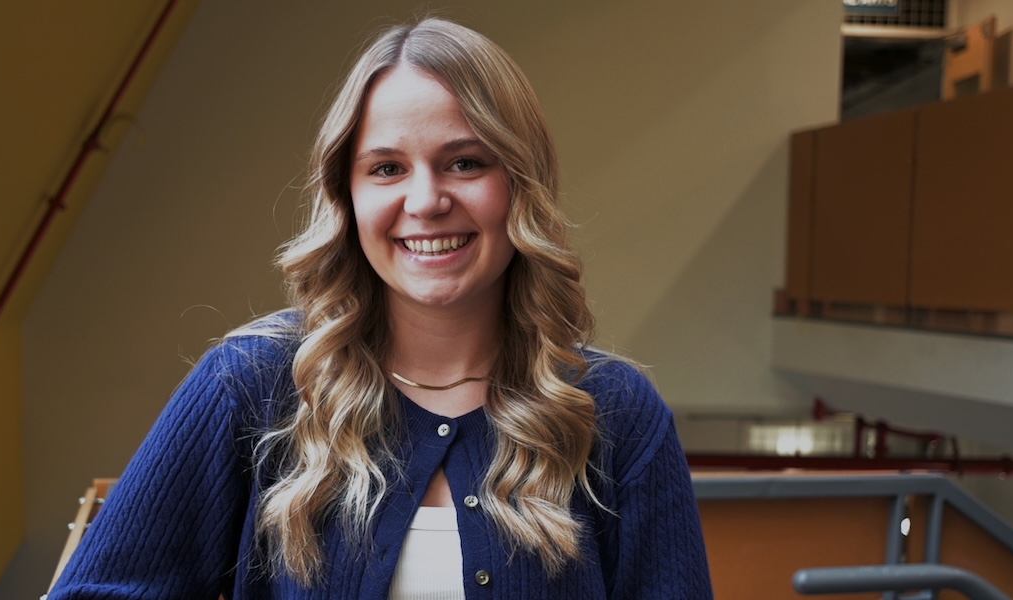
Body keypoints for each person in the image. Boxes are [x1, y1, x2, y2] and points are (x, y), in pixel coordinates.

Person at [48, 17, 711, 600]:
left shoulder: (614, 411)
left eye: (465, 162)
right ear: (347, 195)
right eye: (387, 168)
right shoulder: (252, 384)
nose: (425, 201)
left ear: (520, 185)